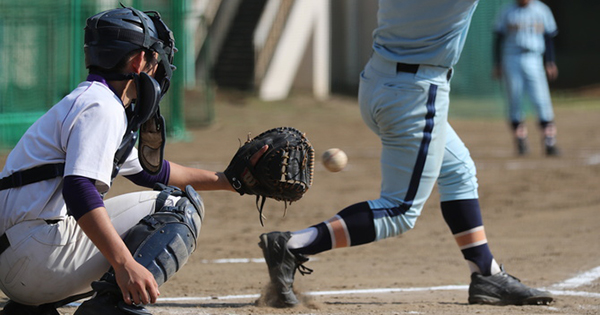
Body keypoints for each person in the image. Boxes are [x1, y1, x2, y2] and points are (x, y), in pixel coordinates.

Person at [258, 0, 554, 308]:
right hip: (415, 94)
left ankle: (486, 273)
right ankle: (292, 245)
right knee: (400, 209)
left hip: (378, 80)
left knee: (458, 170)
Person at [0, 7, 266, 315]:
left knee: (166, 198)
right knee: (177, 207)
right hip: (35, 259)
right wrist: (124, 264)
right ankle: (110, 308)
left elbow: (154, 173)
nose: (158, 66)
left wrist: (230, 182)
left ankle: (29, 309)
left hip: (20, 259)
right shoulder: (103, 108)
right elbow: (79, 187)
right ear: (139, 61)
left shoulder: (88, 99)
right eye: (155, 58)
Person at [493, 0, 560, 156]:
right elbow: (498, 38)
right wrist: (497, 63)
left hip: (534, 57)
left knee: (541, 99)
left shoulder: (542, 10)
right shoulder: (506, 10)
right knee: (514, 99)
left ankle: (549, 141)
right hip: (511, 58)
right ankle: (520, 141)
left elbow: (549, 38)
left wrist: (550, 61)